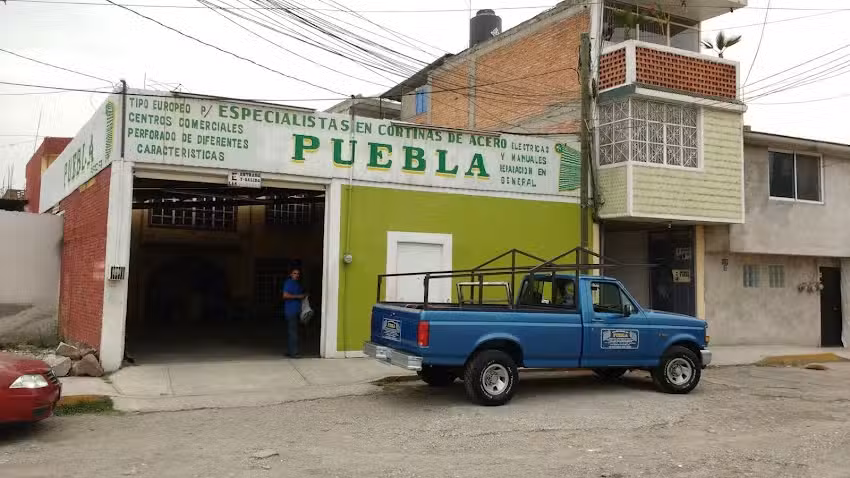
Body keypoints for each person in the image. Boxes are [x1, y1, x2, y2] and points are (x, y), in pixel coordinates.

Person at [282, 267, 306, 358]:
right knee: (293, 332)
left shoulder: (298, 284)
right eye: (295, 273)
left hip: (297, 311)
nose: (297, 275)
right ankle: (294, 352)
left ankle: (290, 351)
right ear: (291, 274)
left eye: (298, 274)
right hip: (290, 311)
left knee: (293, 332)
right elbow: (285, 295)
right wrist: (298, 296)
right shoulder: (288, 283)